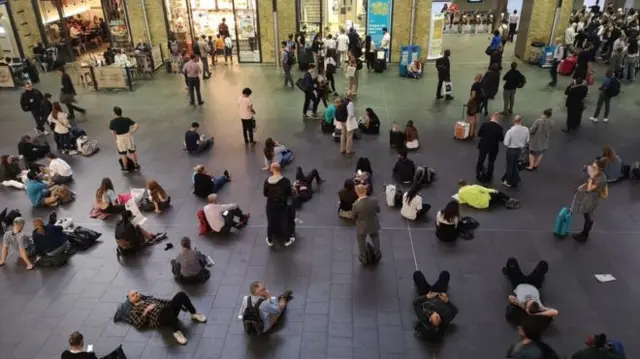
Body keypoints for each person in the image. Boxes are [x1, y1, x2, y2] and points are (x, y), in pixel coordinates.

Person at [124, 290, 206, 344]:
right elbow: (138, 324)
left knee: (180, 294)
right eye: (133, 295)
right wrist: (146, 311)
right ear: (130, 300)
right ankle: (177, 332)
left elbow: (164, 301)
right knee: (166, 310)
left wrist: (178, 304)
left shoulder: (149, 299)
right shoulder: (134, 311)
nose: (136, 295)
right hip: (159, 318)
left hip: (167, 310)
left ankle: (193, 314)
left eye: (136, 293)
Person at [412, 270, 457, 340]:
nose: (435, 312)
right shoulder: (445, 319)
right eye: (438, 316)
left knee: (417, 275)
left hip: (426, 294)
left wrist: (426, 297)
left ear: (429, 319)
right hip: (439, 294)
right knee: (445, 274)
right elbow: (454, 311)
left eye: (434, 315)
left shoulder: (423, 317)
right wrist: (447, 301)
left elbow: (415, 303)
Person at [573, 158, 607, 242]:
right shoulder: (597, 173)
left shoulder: (601, 179)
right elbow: (588, 183)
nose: (593, 168)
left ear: (600, 168)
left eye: (595, 167)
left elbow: (589, 189)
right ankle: (585, 232)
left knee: (587, 214)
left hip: (592, 198)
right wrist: (582, 186)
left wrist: (591, 177)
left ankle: (584, 235)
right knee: (588, 214)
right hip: (590, 197)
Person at [264, 162, 295, 247]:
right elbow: (289, 194)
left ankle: (269, 240)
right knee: (283, 222)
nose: (270, 169)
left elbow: (265, 193)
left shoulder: (267, 181)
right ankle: (287, 240)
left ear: (273, 169)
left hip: (270, 205)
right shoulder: (286, 181)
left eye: (271, 168)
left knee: (270, 222)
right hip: (281, 205)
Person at [352, 184, 381, 263]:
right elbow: (378, 210)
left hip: (362, 227)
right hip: (373, 224)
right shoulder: (374, 200)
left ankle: (364, 258)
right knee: (375, 237)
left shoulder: (355, 205)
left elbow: (353, 216)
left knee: (361, 240)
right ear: (365, 191)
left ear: (357, 193)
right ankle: (377, 254)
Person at [501, 116, 529, 188]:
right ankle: (515, 180)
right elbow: (527, 140)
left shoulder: (510, 131)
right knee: (516, 165)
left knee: (510, 166)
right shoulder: (526, 129)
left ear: (514, 121)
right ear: (521, 121)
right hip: (520, 150)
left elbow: (506, 143)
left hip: (511, 150)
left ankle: (508, 181)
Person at [109, 106, 139, 172]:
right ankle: (136, 165)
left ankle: (125, 167)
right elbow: (136, 124)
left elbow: (113, 132)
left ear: (114, 113)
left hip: (120, 139)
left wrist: (116, 140)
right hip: (128, 137)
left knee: (123, 154)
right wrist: (132, 131)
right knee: (132, 152)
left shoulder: (112, 122)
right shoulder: (127, 119)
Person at [476, 112, 504, 182]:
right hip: (493, 147)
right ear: (498, 119)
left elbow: (479, 134)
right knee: (491, 162)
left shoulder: (485, 125)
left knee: (480, 160)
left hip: (483, 145)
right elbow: (501, 139)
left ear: (491, 117)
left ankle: (478, 174)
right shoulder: (499, 128)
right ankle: (489, 176)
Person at [467, 73, 484, 138]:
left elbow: (473, 95)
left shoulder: (474, 85)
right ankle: (473, 132)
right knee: (476, 118)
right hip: (478, 103)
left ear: (476, 77)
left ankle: (470, 134)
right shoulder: (481, 85)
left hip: (473, 104)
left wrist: (468, 101)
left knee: (471, 119)